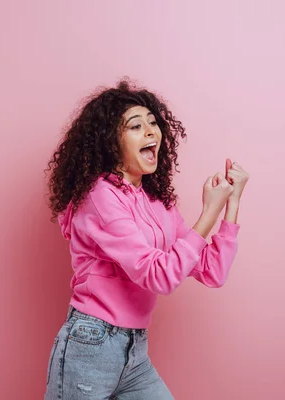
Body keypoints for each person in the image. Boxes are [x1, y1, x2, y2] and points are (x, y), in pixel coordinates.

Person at [44, 79, 249, 399]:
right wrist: (208, 212)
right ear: (110, 142)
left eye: (153, 123)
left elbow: (212, 271)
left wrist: (231, 203)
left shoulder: (156, 203)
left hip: (134, 351)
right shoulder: (100, 196)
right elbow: (159, 276)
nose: (152, 131)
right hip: (91, 345)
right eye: (136, 126)